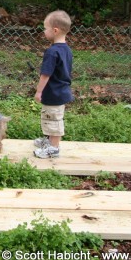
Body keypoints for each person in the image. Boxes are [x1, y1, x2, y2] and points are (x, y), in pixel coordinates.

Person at [33, 10, 74, 159]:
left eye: (45, 28)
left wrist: (38, 92)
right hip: (60, 91)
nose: (44, 31)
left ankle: (54, 148)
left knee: (54, 121)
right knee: (50, 117)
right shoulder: (67, 50)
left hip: (54, 92)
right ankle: (49, 141)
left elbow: (46, 75)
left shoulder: (52, 52)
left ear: (55, 30)